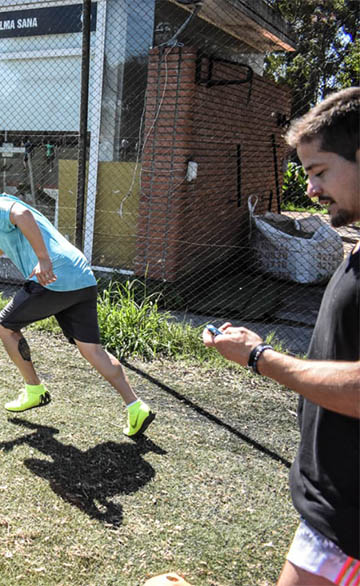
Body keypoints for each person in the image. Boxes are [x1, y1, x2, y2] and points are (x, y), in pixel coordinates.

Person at [203, 87, 360, 586]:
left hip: (347, 520)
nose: (310, 190)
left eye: (319, 172)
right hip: (334, 500)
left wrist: (260, 358)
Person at [0, 178, 155, 437]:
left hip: (53, 276)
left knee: (5, 327)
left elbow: (22, 214)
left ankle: (34, 390)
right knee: (92, 350)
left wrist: (43, 260)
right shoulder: (1, 220)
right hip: (81, 277)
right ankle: (136, 407)